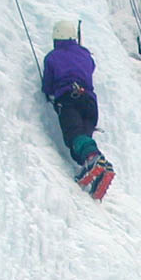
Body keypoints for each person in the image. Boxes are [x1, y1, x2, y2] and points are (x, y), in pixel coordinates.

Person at [41, 19, 114, 198]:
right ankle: (99, 170)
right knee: (83, 139)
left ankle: (94, 160)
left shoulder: (52, 57)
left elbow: (48, 87)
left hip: (69, 99)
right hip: (90, 103)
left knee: (74, 135)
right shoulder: (85, 54)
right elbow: (91, 67)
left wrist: (50, 93)